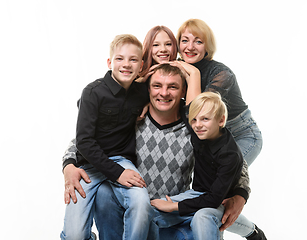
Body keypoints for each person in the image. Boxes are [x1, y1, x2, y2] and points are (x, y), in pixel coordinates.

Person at [62, 64, 251, 240]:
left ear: (183, 90)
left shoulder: (195, 127)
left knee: (205, 219)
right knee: (104, 191)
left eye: (173, 87)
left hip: (173, 215)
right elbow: (84, 140)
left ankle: (252, 232)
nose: (164, 93)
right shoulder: (133, 120)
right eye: (157, 86)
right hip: (131, 216)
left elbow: (234, 159)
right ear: (148, 89)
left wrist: (241, 194)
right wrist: (68, 164)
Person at [60, 34, 153, 240]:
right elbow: (83, 141)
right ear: (110, 62)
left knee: (141, 204)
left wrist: (147, 103)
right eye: (120, 59)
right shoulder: (92, 93)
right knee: (75, 235)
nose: (126, 64)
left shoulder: (143, 92)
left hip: (123, 160)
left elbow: (167, 81)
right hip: (88, 166)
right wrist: (117, 173)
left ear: (141, 66)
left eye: (133, 59)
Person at [151, 92, 267, 240]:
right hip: (198, 193)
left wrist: (174, 207)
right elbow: (178, 106)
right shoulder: (198, 130)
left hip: (220, 200)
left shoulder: (230, 155)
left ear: (221, 120)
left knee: (202, 217)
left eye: (205, 119)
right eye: (194, 120)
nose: (198, 124)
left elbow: (213, 199)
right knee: (153, 212)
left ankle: (253, 232)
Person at [177, 19, 263, 167]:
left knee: (227, 177)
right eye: (185, 40)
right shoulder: (179, 68)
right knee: (210, 183)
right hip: (211, 136)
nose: (190, 47)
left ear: (207, 46)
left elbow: (198, 113)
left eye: (198, 42)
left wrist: (194, 73)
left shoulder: (222, 74)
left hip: (241, 134)